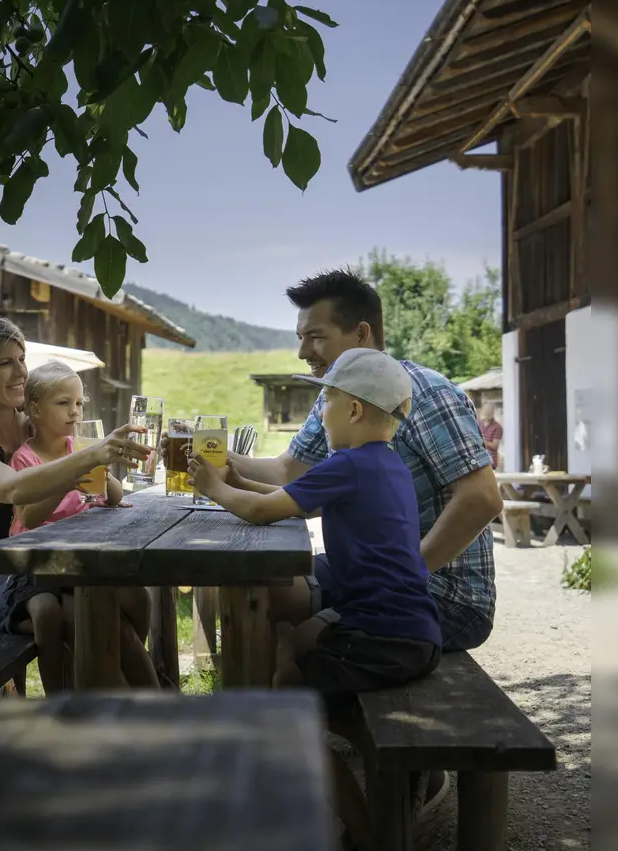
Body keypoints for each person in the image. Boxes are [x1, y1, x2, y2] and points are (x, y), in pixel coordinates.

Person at [228, 269, 500, 819]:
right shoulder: (340, 398)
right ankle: (271, 754)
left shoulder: (423, 392)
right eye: (301, 336)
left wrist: (405, 576)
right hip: (390, 578)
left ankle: (344, 753)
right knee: (265, 599)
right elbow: (288, 469)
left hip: (444, 591)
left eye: (315, 336)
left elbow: (481, 498)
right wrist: (218, 462)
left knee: (288, 625)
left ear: (364, 336)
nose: (302, 349)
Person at [189, 347, 442, 851]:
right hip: (411, 628)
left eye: (324, 401)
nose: (319, 412)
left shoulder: (347, 464)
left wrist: (213, 488)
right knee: (292, 651)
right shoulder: (384, 464)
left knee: (291, 709)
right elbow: (282, 500)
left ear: (352, 409)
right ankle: (345, 741)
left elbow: (262, 514)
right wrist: (237, 480)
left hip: (381, 635)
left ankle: (367, 832)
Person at [0, 314, 153, 687]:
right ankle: (110, 708)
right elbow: (14, 489)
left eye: (22, 359)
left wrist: (101, 465)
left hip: (46, 567)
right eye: (5, 363)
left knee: (125, 599)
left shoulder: (35, 426)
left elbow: (90, 478)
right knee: (87, 616)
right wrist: (95, 453)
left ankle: (138, 702)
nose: (21, 372)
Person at [8, 360, 158, 691]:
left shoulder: (82, 448)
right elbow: (28, 518)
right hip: (45, 569)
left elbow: (113, 497)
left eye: (78, 403)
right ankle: (121, 693)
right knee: (101, 621)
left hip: (84, 562)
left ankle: (143, 688)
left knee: (139, 599)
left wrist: (105, 464)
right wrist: (67, 479)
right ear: (35, 409)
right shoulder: (26, 459)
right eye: (63, 403)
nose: (74, 412)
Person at [478, 402, 503, 471]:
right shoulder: (478, 424)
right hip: (478, 461)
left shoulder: (497, 427)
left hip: (490, 462)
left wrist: (482, 441)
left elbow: (495, 445)